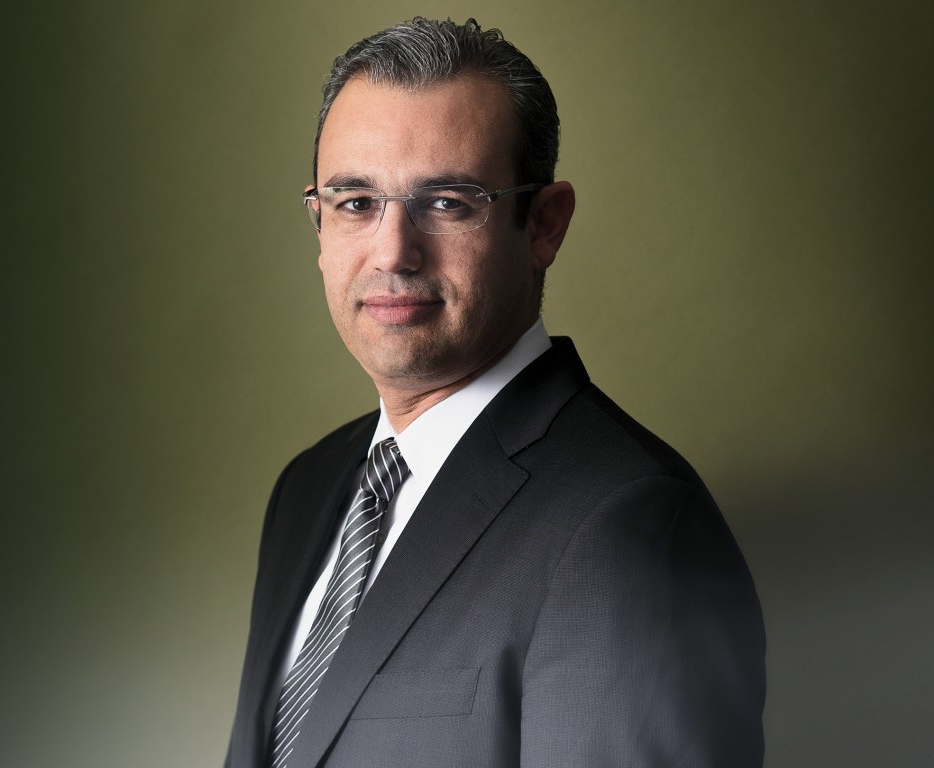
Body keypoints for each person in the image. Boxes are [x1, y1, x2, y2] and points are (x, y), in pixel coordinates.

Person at [225, 17, 765, 768]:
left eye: (448, 202)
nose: (393, 253)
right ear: (319, 222)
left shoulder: (630, 527)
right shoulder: (308, 489)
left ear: (544, 225)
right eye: (356, 202)